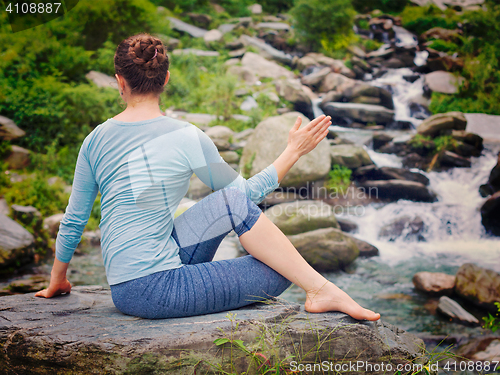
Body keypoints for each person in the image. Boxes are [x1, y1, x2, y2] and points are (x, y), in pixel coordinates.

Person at [36, 33, 380, 322]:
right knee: (282, 269)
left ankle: (319, 288)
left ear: (119, 82)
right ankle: (320, 289)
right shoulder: (187, 135)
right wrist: (292, 152)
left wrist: (58, 280)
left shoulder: (95, 138)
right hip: (154, 290)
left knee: (235, 207)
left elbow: (75, 218)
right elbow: (248, 194)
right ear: (166, 79)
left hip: (132, 281)